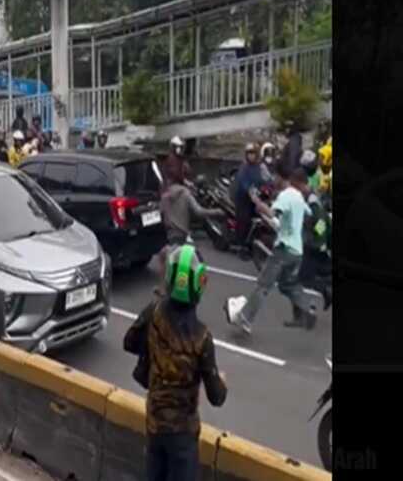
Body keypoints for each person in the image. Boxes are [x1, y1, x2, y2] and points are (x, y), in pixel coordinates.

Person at [123, 244, 227, 481]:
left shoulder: (153, 312)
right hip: (183, 433)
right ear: (200, 283)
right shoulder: (202, 338)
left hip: (154, 423)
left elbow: (129, 342)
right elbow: (217, 397)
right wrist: (221, 380)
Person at [225, 168, 320, 334]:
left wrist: (258, 203)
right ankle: (308, 308)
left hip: (283, 249)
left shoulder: (287, 195)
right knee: (287, 284)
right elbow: (307, 216)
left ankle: (245, 319)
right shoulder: (300, 199)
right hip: (297, 252)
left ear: (291, 180)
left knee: (263, 285)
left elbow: (272, 212)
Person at [158, 180, 223, 273]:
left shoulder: (164, 196)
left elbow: (160, 214)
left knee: (168, 268)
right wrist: (216, 211)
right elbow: (199, 212)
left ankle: (163, 287)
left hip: (171, 238)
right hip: (183, 237)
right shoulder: (186, 194)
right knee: (199, 266)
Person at [230, 143, 271, 251]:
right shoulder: (244, 168)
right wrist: (252, 194)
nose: (251, 156)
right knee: (245, 219)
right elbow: (245, 184)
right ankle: (241, 244)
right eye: (249, 153)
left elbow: (268, 179)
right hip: (244, 198)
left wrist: (269, 188)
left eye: (253, 153)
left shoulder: (261, 167)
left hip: (258, 197)